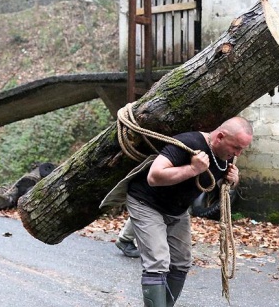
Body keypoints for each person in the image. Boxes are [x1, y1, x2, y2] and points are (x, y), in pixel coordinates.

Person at [102, 117, 253, 307]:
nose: (238, 153)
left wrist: (233, 179)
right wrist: (192, 168)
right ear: (220, 137)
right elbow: (154, 176)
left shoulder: (225, 155)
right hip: (146, 202)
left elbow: (221, 179)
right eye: (236, 147)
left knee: (181, 263)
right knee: (157, 262)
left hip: (177, 209)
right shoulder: (189, 143)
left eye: (241, 149)